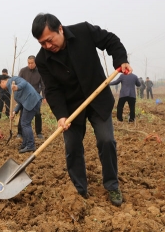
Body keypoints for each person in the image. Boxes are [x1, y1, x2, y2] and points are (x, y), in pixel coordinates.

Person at [31, 13, 132, 206]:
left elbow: (110, 40)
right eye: (42, 43)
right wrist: (61, 116)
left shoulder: (83, 31)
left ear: (60, 29)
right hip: (70, 108)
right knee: (72, 147)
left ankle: (112, 185)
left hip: (97, 98)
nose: (47, 46)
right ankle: (79, 190)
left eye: (49, 40)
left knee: (107, 141)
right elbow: (52, 90)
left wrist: (121, 59)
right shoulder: (43, 60)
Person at [0, 74, 42, 153]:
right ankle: (25, 144)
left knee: (25, 123)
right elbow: (20, 101)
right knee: (23, 123)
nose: (1, 87)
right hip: (28, 102)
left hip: (31, 100)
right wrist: (14, 111)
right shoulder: (10, 89)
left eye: (0, 85)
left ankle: (30, 145)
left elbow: (24, 83)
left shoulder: (13, 80)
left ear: (2, 82)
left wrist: (17, 87)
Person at [17, 55, 45, 139]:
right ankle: (20, 132)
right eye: (28, 63)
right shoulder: (23, 71)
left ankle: (39, 132)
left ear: (35, 63)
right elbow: (18, 83)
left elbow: (43, 85)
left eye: (32, 63)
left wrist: (44, 96)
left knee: (37, 114)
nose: (30, 65)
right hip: (24, 97)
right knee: (23, 115)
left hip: (35, 97)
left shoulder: (40, 72)